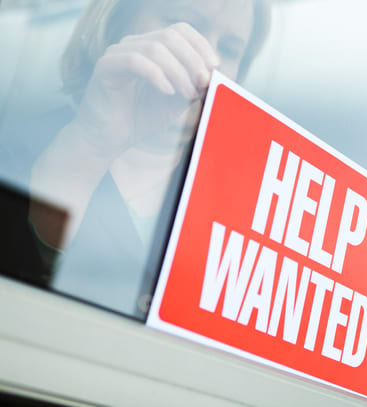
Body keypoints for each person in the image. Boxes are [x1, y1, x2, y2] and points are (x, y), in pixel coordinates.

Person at [21, 0, 270, 316]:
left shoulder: (244, 204)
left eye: (231, 51)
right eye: (184, 24)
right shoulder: (17, 146)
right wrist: (92, 144)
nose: (210, 59)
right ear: (115, 25)